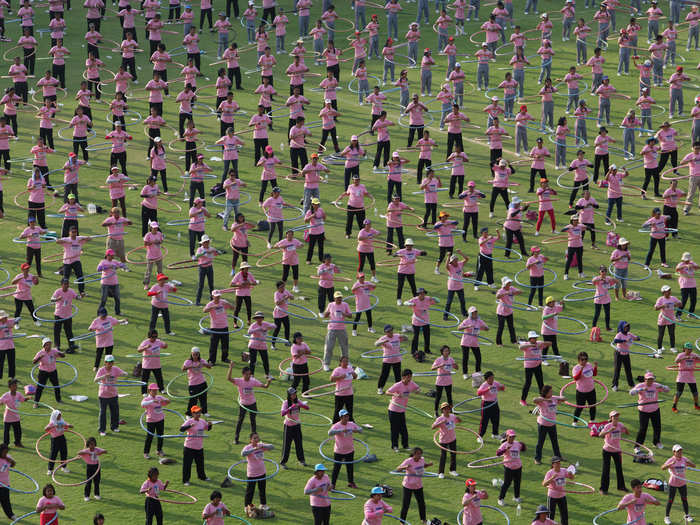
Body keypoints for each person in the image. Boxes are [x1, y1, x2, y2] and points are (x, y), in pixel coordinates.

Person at [228, 363, 272, 444]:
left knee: (253, 421)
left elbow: (265, 386)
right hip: (243, 404)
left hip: (252, 403)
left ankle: (254, 439)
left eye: (250, 374)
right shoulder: (239, 381)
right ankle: (236, 438)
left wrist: (268, 382)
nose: (249, 375)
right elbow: (229, 378)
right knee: (240, 421)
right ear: (243, 374)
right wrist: (230, 368)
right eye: (247, 374)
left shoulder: (253, 381)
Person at [630, 371, 669, 450]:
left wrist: (662, 386)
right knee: (643, 429)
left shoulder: (656, 385)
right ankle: (637, 446)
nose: (650, 381)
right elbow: (631, 393)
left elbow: (667, 390)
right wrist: (641, 389)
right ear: (645, 379)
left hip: (655, 409)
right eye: (648, 380)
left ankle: (656, 442)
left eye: (651, 379)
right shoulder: (640, 385)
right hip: (644, 411)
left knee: (657, 427)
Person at [396, 447, 432, 524]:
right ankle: (402, 521)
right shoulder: (408, 461)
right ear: (414, 454)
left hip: (418, 486)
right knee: (406, 504)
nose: (419, 455)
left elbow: (423, 465)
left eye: (420, 454)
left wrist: (428, 465)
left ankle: (423, 519)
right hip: (408, 486)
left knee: (421, 503)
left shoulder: (422, 459)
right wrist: (405, 467)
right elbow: (398, 469)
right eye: (418, 454)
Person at [386, 369, 419, 451]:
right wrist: (394, 394)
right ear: (403, 377)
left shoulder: (411, 383)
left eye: (411, 377)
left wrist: (417, 391)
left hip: (402, 410)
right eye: (408, 377)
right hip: (393, 410)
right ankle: (395, 446)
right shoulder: (398, 385)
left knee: (403, 429)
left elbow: (417, 388)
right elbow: (387, 392)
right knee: (395, 429)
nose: (410, 379)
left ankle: (405, 445)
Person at [661, 444, 696, 523]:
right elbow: (662, 467)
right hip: (673, 483)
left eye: (681, 451)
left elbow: (694, 465)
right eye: (678, 451)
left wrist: (688, 462)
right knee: (670, 500)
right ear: (674, 452)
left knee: (684, 499)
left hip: (682, 483)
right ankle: (667, 517)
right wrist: (670, 464)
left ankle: (687, 515)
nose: (680, 452)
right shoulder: (671, 460)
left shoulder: (684, 459)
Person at [94, 355, 127, 436]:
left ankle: (114, 427)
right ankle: (102, 430)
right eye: (108, 362)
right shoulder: (102, 370)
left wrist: (123, 374)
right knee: (103, 413)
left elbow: (125, 373)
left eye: (112, 362)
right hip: (103, 395)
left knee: (115, 412)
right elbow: (95, 380)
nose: (110, 364)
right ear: (105, 362)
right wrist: (104, 376)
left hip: (113, 394)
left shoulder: (115, 369)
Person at [241, 433, 274, 514]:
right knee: (250, 491)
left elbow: (272, 447)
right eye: (254, 438)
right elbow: (243, 453)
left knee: (262, 489)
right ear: (251, 440)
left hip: (262, 472)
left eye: (257, 438)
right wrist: (254, 449)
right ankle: (247, 506)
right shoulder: (248, 447)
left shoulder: (261, 445)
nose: (256, 439)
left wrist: (263, 446)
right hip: (252, 474)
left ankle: (263, 504)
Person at [328, 408, 361, 488]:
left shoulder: (351, 424)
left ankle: (351, 482)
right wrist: (341, 430)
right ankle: (333, 484)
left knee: (350, 467)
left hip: (350, 450)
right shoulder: (336, 425)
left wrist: (353, 430)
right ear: (341, 418)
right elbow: (330, 433)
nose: (346, 418)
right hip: (339, 451)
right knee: (336, 468)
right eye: (344, 416)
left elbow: (361, 430)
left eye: (347, 416)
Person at [533, 385, 565, 464]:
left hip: (552, 424)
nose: (552, 392)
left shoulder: (553, 398)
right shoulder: (541, 400)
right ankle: (537, 459)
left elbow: (564, 398)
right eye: (550, 391)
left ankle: (558, 457)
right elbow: (534, 400)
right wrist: (546, 400)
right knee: (541, 442)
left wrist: (557, 399)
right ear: (546, 393)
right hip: (543, 424)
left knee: (554, 441)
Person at [180, 405, 211, 485]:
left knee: (200, 463)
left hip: (199, 447)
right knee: (187, 465)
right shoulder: (189, 421)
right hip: (189, 447)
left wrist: (210, 425)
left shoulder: (202, 421)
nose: (199, 414)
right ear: (193, 414)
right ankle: (185, 480)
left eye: (199, 412)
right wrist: (190, 426)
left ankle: (202, 476)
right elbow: (181, 429)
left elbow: (207, 428)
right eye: (196, 413)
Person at [322, 291, 352, 372]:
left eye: (340, 298)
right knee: (329, 347)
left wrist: (344, 314)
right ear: (334, 298)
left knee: (344, 347)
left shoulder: (345, 305)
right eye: (338, 298)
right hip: (332, 329)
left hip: (342, 329)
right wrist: (327, 313)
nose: (339, 299)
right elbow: (324, 316)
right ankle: (326, 364)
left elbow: (350, 315)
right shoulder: (330, 305)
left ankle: (345, 363)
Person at [457, 306, 489, 379]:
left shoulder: (479, 321)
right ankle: (465, 373)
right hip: (466, 341)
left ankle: (478, 371)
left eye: (476, 312)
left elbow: (487, 328)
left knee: (478, 357)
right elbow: (459, 328)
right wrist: (467, 326)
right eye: (473, 313)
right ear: (470, 314)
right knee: (465, 358)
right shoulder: (466, 321)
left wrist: (483, 327)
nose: (475, 314)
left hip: (474, 342)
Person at [280, 387, 307, 468]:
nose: (294, 395)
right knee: (287, 445)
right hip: (288, 426)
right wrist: (291, 407)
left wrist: (301, 405)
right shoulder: (285, 403)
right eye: (292, 394)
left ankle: (301, 460)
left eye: (295, 393)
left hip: (297, 425)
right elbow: (282, 413)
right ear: (289, 395)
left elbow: (307, 408)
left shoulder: (298, 401)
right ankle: (283, 462)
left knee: (299, 443)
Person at [141, 383, 170, 459]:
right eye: (153, 391)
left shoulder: (159, 397)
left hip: (160, 419)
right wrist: (152, 401)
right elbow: (142, 404)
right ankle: (146, 452)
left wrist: (167, 401)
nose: (155, 392)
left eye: (156, 390)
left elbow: (166, 402)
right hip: (151, 421)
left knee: (160, 435)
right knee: (149, 437)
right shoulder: (147, 399)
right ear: (149, 391)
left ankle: (159, 450)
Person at [203, 290, 233, 365]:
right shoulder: (210, 304)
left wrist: (228, 304)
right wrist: (212, 307)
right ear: (213, 296)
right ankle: (212, 360)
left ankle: (225, 358)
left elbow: (233, 308)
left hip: (224, 326)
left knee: (225, 344)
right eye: (216, 297)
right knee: (213, 345)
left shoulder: (223, 302)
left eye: (219, 296)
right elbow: (204, 310)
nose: (218, 298)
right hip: (215, 327)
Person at [432, 402, 460, 478]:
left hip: (452, 438)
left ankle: (452, 470)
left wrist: (458, 418)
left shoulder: (452, 416)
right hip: (444, 440)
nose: (447, 410)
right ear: (442, 410)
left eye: (448, 408)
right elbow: (433, 427)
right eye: (445, 409)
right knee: (443, 456)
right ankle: (441, 472)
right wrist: (441, 423)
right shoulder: (440, 418)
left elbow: (459, 421)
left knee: (453, 455)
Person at [497, 429, 525, 505]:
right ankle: (500, 499)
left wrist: (523, 445)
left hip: (518, 466)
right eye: (510, 437)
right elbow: (498, 453)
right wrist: (505, 450)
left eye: (513, 437)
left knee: (517, 482)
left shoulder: (517, 444)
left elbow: (523, 448)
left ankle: (516, 497)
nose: (512, 438)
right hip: (508, 467)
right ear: (507, 436)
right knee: (507, 483)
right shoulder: (504, 445)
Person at [32, 337, 64, 405]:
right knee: (40, 388)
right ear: (44, 345)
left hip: (53, 371)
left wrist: (60, 353)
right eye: (47, 345)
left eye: (50, 344)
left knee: (56, 386)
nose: (49, 346)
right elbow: (34, 362)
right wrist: (40, 357)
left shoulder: (54, 351)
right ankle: (36, 402)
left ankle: (59, 400)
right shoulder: (40, 353)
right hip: (43, 372)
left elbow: (63, 356)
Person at [543, 456, 574, 525]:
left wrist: (571, 474)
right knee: (551, 515)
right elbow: (544, 484)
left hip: (562, 496)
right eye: (556, 463)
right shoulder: (550, 473)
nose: (558, 464)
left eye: (559, 463)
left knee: (564, 514)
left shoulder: (563, 470)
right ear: (552, 464)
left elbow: (572, 478)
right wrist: (552, 478)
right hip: (552, 497)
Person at [406, 288, 437, 355]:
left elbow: (436, 301)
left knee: (427, 336)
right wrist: (410, 304)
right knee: (415, 337)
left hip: (425, 321)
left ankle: (427, 350)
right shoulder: (415, 299)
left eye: (423, 293)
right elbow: (405, 302)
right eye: (420, 293)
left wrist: (434, 299)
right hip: (416, 321)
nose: (421, 294)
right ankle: (414, 351)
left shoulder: (428, 298)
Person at [0, 379, 30, 447]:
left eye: (16, 386)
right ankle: (5, 444)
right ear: (9, 387)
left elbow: (22, 399)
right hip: (8, 417)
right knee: (6, 432)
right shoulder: (6, 395)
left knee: (18, 432)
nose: (15, 387)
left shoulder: (18, 394)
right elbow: (0, 401)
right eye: (13, 386)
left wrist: (27, 398)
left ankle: (18, 443)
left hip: (16, 417)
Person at [182, 348, 212, 416]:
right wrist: (192, 366)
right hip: (193, 383)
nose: (195, 356)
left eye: (197, 354)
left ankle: (204, 412)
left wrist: (206, 364)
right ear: (191, 354)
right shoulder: (188, 361)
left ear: (199, 354)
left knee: (203, 398)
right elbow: (183, 368)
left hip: (202, 382)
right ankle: (189, 414)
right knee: (193, 400)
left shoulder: (201, 360)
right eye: (194, 354)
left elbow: (209, 367)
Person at [672, 342, 700, 411]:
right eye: (688, 349)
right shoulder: (681, 355)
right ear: (684, 349)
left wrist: (697, 357)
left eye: (691, 349)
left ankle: (696, 405)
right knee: (679, 392)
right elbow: (676, 361)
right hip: (682, 377)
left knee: (695, 392)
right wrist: (684, 358)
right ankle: (674, 406)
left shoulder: (694, 355)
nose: (690, 351)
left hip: (691, 377)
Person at [247, 311, 275, 378]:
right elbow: (249, 332)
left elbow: (274, 326)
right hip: (253, 344)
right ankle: (251, 375)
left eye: (260, 318)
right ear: (255, 319)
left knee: (265, 360)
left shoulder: (265, 324)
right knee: (253, 361)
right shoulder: (253, 325)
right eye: (257, 318)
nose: (259, 319)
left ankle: (267, 374)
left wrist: (267, 328)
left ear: (262, 318)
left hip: (262, 345)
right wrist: (258, 329)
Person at [612, 320, 639, 391]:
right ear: (622, 327)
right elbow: (615, 341)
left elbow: (637, 338)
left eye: (628, 327)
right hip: (619, 353)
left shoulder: (629, 334)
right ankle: (614, 385)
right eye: (625, 327)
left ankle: (631, 384)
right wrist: (624, 341)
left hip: (626, 354)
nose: (627, 328)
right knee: (617, 370)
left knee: (628, 369)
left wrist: (636, 338)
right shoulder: (619, 334)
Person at [138, 330, 167, 394]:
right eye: (153, 337)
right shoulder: (145, 342)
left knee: (159, 378)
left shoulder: (158, 342)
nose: (154, 338)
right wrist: (146, 347)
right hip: (147, 365)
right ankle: (144, 392)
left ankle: (162, 389)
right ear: (149, 336)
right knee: (145, 379)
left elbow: (165, 346)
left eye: (156, 336)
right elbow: (139, 350)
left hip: (156, 364)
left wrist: (164, 343)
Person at [77, 437, 106, 502]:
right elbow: (78, 453)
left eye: (93, 444)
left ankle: (97, 494)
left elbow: (105, 451)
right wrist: (88, 453)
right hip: (89, 467)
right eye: (90, 444)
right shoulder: (87, 450)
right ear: (88, 445)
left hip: (96, 466)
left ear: (95, 444)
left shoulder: (97, 449)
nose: (92, 446)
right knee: (88, 482)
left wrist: (99, 453)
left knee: (97, 481)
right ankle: (86, 496)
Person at [431, 345, 457, 416]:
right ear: (442, 352)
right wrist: (439, 366)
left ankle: (451, 410)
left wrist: (454, 365)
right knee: (438, 396)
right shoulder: (438, 359)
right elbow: (432, 368)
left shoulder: (451, 359)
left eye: (448, 351)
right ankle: (436, 411)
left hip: (448, 380)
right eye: (445, 351)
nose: (447, 352)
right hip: (440, 381)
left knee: (449, 396)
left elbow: (456, 367)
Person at [477, 371, 504, 438]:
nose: (492, 379)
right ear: (487, 379)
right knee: (484, 421)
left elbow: (502, 388)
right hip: (486, 404)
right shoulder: (484, 385)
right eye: (491, 378)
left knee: (496, 419)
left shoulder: (495, 383)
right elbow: (479, 393)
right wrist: (487, 389)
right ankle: (480, 436)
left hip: (494, 403)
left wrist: (502, 387)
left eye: (493, 378)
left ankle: (495, 434)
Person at [44, 410, 72, 475]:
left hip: (62, 438)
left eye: (60, 415)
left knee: (64, 452)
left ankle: (64, 467)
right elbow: (46, 429)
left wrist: (69, 425)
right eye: (58, 415)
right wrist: (53, 426)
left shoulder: (62, 421)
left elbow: (67, 425)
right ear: (55, 416)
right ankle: (50, 469)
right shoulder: (52, 423)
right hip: (55, 439)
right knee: (53, 454)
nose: (59, 416)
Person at [496, 276, 521, 346]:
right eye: (508, 283)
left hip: (509, 311)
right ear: (504, 284)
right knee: (501, 327)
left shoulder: (511, 288)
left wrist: (513, 293)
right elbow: (497, 296)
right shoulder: (501, 290)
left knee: (511, 327)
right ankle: (499, 342)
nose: (509, 284)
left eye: (510, 282)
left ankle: (513, 340)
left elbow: (520, 292)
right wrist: (505, 293)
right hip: (501, 312)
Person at [0, 443, 15, 519]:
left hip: (5, 484)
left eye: (7, 452)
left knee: (6, 501)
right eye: (4, 452)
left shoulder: (8, 457)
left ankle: (10, 515)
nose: (5, 454)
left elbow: (13, 465)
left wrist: (10, 460)